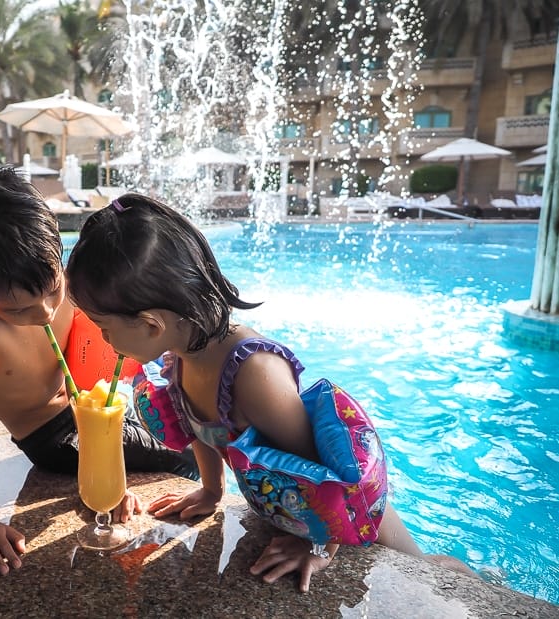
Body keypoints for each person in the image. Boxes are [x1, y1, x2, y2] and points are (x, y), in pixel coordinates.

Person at [65, 193, 473, 592]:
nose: (103, 339)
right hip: (287, 511)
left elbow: (326, 472)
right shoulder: (182, 354)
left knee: (428, 578)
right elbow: (201, 427)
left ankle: (481, 587)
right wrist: (211, 491)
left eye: (104, 327)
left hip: (354, 516)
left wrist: (319, 546)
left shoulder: (255, 374)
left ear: (152, 323)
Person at [0, 167, 198, 578]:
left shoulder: (65, 271)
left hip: (94, 413)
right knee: (190, 455)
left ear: (56, 246)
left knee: (187, 424)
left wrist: (110, 469)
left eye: (54, 290)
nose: (45, 312)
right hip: (53, 435)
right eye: (16, 310)